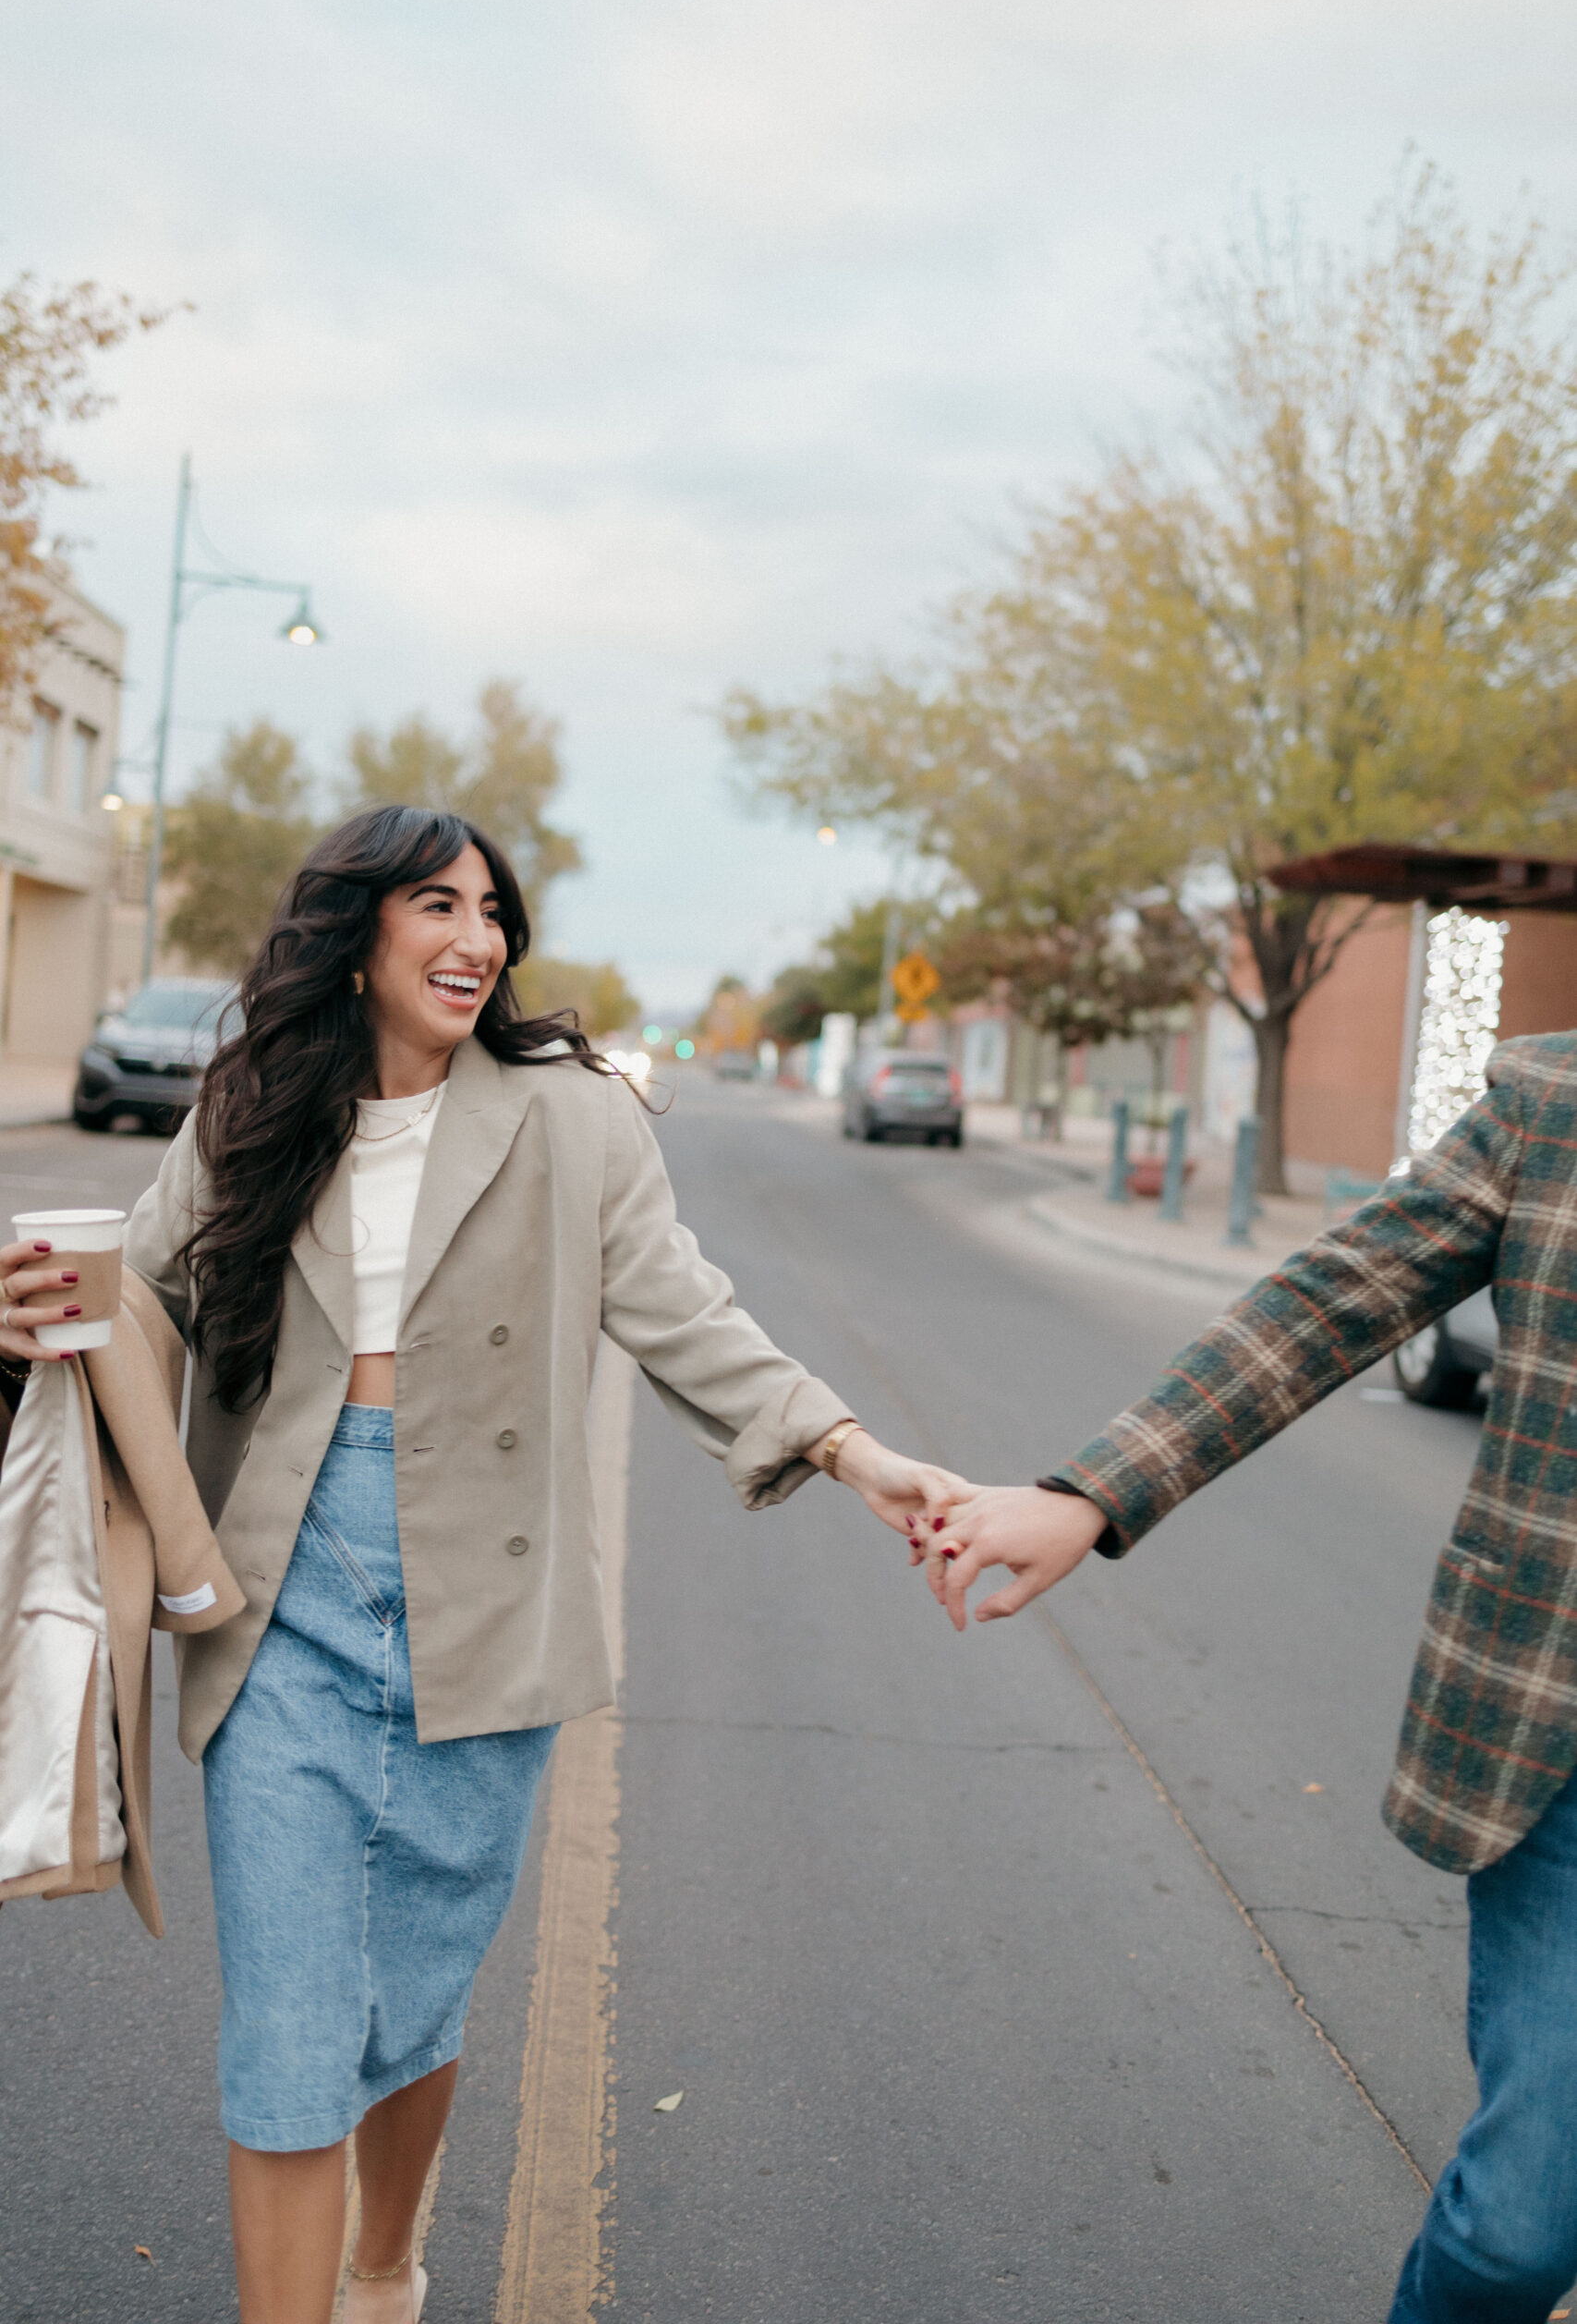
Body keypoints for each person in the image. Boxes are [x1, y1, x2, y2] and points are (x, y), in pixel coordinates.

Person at [0, 805, 968, 2324]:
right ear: (355, 931)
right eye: (438, 907)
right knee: (291, 2029)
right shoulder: (251, 1107)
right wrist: (41, 1313)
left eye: (493, 911)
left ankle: (387, 2263)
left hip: (487, 1599)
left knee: (414, 1999)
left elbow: (680, 1308)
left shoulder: (567, 1113)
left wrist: (853, 1449)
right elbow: (148, 1298)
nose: (478, 940)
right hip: (280, 1599)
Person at [912, 1030, 1577, 2324]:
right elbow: (1331, 1298)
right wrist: (1095, 1491)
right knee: (1515, 2234)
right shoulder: (1556, 1104)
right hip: (1560, 1744)